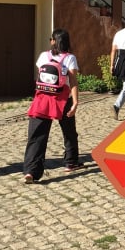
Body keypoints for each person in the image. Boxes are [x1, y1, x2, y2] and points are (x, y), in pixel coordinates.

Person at [23, 29, 81, 182]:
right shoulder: (70, 58)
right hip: (62, 99)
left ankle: (31, 171)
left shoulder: (44, 56)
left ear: (53, 41)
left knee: (36, 136)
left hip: (42, 99)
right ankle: (71, 162)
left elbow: (41, 78)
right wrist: (75, 102)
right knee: (69, 132)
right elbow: (73, 82)